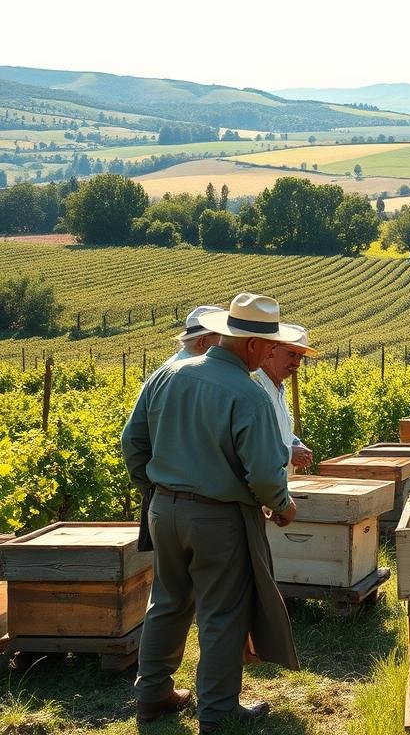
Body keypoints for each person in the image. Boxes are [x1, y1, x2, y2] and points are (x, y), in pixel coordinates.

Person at [122, 292, 303, 733]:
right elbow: (263, 473)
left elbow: (133, 442)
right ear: (252, 345)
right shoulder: (250, 394)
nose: (271, 353)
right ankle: (218, 710)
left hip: (162, 510)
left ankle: (151, 697)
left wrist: (157, 491)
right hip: (219, 519)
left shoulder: (168, 375)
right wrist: (283, 505)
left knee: (167, 602)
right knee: (223, 612)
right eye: (270, 345)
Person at [253, 324, 318, 474]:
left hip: (277, 485)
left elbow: (281, 431)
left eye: (300, 356)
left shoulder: (280, 389)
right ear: (271, 350)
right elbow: (252, 444)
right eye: (291, 354)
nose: (296, 363)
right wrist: (289, 454)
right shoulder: (256, 387)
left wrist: (296, 443)